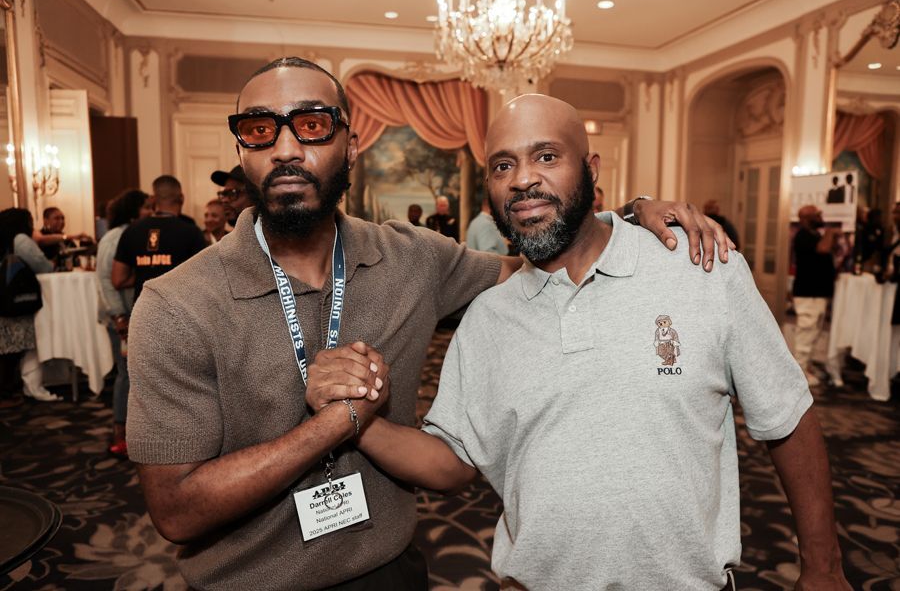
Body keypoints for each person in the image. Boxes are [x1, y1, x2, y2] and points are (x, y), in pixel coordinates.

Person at [126, 57, 729, 590]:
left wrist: (624, 214)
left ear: (350, 145)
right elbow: (176, 511)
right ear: (242, 153)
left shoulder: (412, 257)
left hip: (390, 571)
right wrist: (335, 424)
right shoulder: (177, 304)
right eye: (260, 129)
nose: (286, 148)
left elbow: (534, 261)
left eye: (311, 125)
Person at [329, 94, 850, 591]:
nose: (524, 179)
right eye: (503, 165)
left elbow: (788, 417)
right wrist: (353, 419)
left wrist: (822, 569)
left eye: (547, 156)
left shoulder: (701, 266)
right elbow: (452, 461)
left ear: (591, 169)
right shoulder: (488, 318)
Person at [96, 189, 152, 457]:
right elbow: (108, 281)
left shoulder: (135, 233)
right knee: (126, 374)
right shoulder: (116, 237)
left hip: (131, 314)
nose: (150, 213)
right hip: (121, 318)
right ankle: (119, 433)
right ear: (134, 211)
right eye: (146, 208)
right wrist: (119, 315)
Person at [111, 174, 207, 304]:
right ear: (181, 198)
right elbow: (204, 277)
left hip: (143, 309)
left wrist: (145, 275)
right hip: (179, 309)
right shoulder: (192, 232)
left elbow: (118, 280)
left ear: (153, 199)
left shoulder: (132, 231)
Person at [0, 208, 58, 408]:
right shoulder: (21, 240)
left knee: (6, 347)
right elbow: (44, 266)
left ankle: (9, 389)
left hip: (3, 300)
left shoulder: (4, 239)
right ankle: (6, 393)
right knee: (13, 348)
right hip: (14, 301)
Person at [792, 205, 839, 387]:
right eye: (817, 214)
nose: (821, 216)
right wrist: (830, 232)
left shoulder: (815, 235)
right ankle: (799, 372)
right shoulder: (802, 236)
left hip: (817, 292)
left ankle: (806, 366)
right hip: (807, 293)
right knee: (806, 333)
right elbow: (823, 249)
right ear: (805, 218)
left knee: (814, 333)